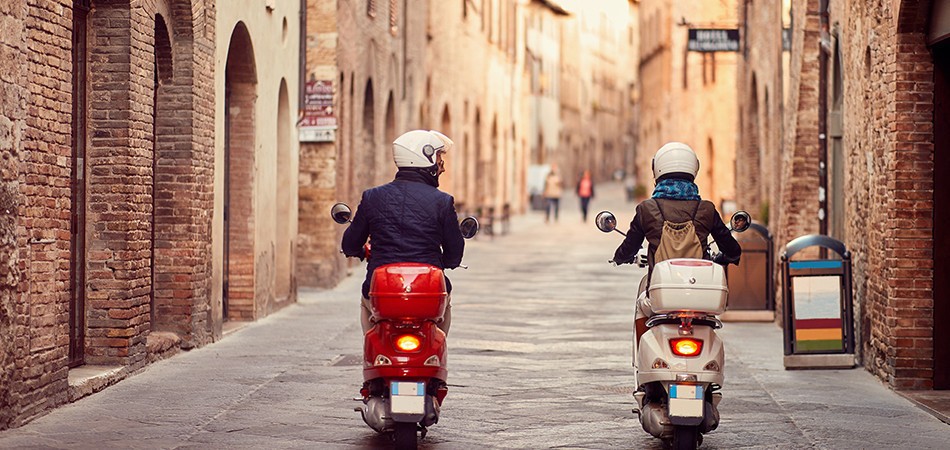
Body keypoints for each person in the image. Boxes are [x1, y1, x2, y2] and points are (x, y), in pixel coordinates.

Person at [610, 142, 742, 342]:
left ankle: (641, 355)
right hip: (699, 294)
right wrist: (728, 256)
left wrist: (620, 258)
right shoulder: (706, 209)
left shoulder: (646, 209)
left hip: (661, 297)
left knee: (641, 306)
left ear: (657, 170)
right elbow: (731, 247)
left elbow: (630, 246)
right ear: (693, 170)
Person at [342, 129, 465, 335]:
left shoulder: (372, 197)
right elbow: (455, 253)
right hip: (428, 290)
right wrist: (445, 261)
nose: (441, 166)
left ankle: (372, 350)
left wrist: (360, 251)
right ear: (425, 159)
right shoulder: (443, 202)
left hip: (381, 291)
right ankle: (437, 344)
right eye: (438, 158)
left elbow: (350, 244)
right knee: (445, 306)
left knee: (366, 307)